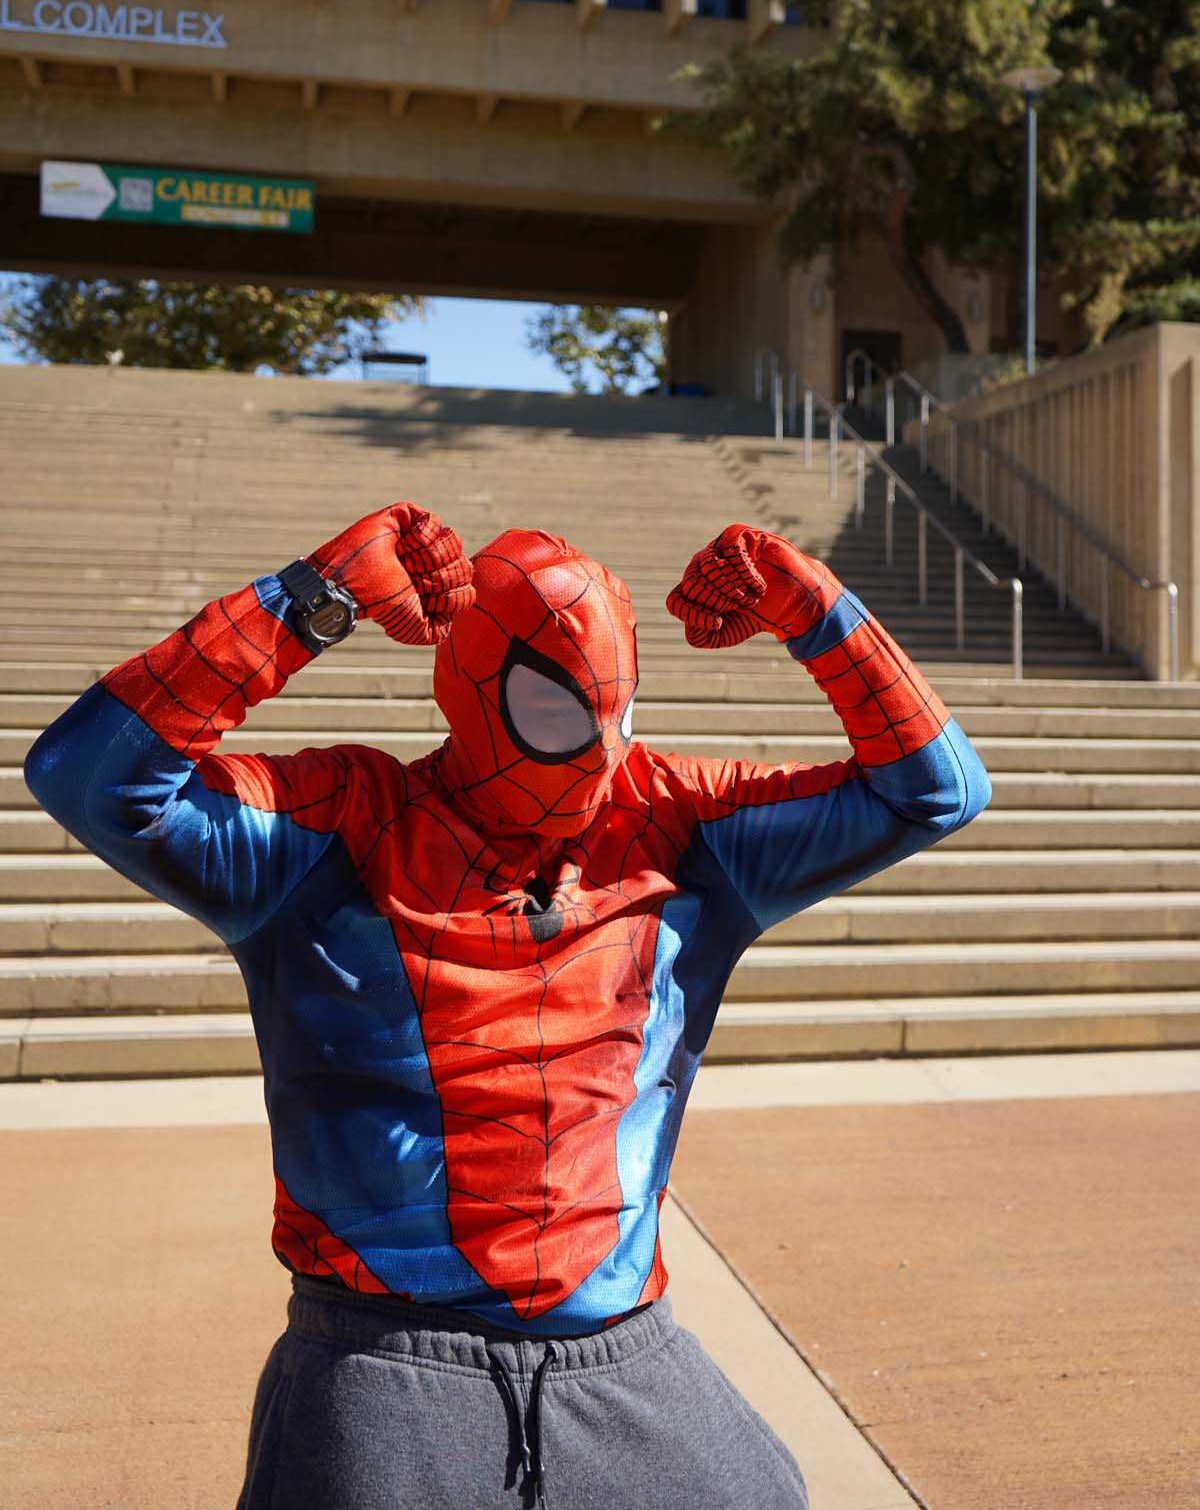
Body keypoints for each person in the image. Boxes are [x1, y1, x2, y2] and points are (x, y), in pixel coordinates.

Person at [25, 504, 990, 1510]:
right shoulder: (338, 827)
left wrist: (815, 604)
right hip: (381, 1357)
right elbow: (89, 779)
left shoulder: (679, 824)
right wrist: (309, 600)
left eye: (621, 710)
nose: (602, 753)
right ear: (475, 694)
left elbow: (938, 790)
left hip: (620, 1350)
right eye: (562, 711)